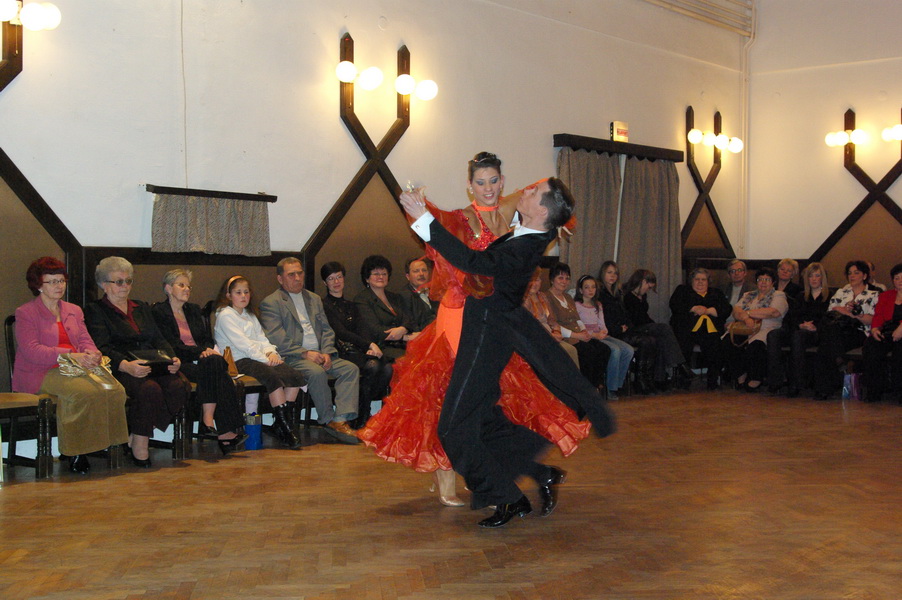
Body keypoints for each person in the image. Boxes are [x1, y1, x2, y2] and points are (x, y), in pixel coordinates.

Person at [357, 152, 590, 508]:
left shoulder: (513, 212)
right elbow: (437, 229)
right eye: (480, 182)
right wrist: (418, 206)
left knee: (485, 410)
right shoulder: (461, 218)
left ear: (502, 181)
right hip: (459, 315)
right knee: (446, 399)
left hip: (492, 322)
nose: (488, 188)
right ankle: (452, 479)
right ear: (469, 186)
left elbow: (546, 201)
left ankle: (516, 477)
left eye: (493, 181)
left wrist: (560, 220)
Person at [400, 177, 615, 528]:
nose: (525, 190)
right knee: (482, 421)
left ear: (542, 210)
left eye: (533, 192)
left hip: (486, 340)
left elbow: (472, 261)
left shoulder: (526, 246)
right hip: (485, 334)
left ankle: (507, 497)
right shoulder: (527, 234)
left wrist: (423, 219)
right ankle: (538, 473)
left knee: (453, 429)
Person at [12, 257, 128, 474]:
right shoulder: (26, 312)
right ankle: (76, 451)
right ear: (38, 285)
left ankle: (111, 443)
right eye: (52, 282)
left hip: (77, 366)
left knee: (115, 389)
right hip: (42, 371)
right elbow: (32, 351)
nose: (59, 286)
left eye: (61, 281)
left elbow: (84, 339)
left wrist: (92, 353)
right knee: (81, 392)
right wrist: (72, 355)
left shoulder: (73, 310)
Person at [84, 256, 191, 468]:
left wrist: (173, 358)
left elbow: (159, 338)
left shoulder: (140, 307)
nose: (125, 286)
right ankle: (141, 443)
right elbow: (102, 347)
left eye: (128, 281)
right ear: (104, 284)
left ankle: (136, 434)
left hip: (153, 364)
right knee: (149, 390)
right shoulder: (95, 310)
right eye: (119, 281)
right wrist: (125, 365)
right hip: (120, 367)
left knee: (179, 386)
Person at [259, 258, 361, 445]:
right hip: (292, 357)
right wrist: (305, 353)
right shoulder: (271, 303)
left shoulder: (313, 299)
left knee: (350, 369)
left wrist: (327, 352)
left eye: (300, 273)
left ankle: (340, 420)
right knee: (316, 372)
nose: (297, 278)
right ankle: (327, 419)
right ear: (280, 279)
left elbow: (327, 330)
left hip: (320, 354)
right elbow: (277, 338)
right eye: (291, 274)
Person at [151, 269, 246, 454]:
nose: (187, 289)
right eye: (181, 285)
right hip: (180, 362)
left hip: (203, 361)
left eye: (188, 286)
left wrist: (207, 350)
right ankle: (223, 430)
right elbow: (171, 345)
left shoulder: (193, 310)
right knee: (220, 373)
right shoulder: (159, 312)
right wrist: (200, 352)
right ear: (168, 288)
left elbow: (206, 339)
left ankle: (209, 424)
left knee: (215, 364)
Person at [212, 275, 306, 449]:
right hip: (238, 360)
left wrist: (271, 353)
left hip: (258, 357)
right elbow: (244, 345)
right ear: (228, 295)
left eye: (246, 292)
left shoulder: (249, 315)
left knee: (295, 376)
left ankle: (281, 422)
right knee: (271, 376)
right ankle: (286, 428)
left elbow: (261, 339)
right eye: (238, 292)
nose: (243, 296)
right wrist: (266, 360)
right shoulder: (226, 315)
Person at [320, 261, 393, 428]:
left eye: (339, 277)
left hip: (358, 350)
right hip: (340, 351)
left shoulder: (351, 305)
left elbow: (362, 328)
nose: (336, 281)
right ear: (324, 283)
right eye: (331, 278)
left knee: (388, 368)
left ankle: (362, 410)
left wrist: (370, 346)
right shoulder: (324, 305)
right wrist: (369, 345)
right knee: (373, 366)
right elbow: (340, 332)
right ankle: (363, 413)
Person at [812, 261, 879, 400]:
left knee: (826, 343)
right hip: (838, 330)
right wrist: (850, 312)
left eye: (856, 273)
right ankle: (838, 362)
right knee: (829, 337)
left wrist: (852, 314)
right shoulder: (841, 292)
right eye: (849, 273)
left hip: (859, 331)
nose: (852, 276)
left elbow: (872, 320)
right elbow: (831, 311)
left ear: (864, 275)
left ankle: (824, 387)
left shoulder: (873, 294)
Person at [766, 262, 830, 396]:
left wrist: (815, 327)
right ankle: (775, 381)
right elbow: (790, 317)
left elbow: (828, 318)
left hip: (816, 333)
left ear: (822, 278)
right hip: (798, 328)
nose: (813, 279)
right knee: (773, 335)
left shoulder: (829, 296)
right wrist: (800, 325)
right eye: (810, 276)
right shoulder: (801, 296)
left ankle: (796, 383)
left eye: (817, 276)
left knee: (798, 336)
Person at [622, 269, 692, 389]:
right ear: (643, 281)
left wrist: (653, 326)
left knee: (661, 340)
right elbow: (637, 319)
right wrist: (654, 326)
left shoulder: (641, 296)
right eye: (648, 286)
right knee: (664, 329)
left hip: (643, 326)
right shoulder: (628, 297)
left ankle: (659, 379)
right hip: (634, 328)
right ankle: (681, 364)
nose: (648, 289)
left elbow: (644, 317)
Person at [545, 264, 611, 390]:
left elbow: (577, 319)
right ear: (552, 279)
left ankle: (595, 385)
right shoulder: (546, 297)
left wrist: (584, 331)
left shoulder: (568, 297)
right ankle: (587, 389)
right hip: (565, 337)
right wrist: (577, 335)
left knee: (604, 350)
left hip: (578, 335)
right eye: (560, 278)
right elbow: (553, 324)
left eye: (567, 278)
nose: (564, 281)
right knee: (589, 352)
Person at [597, 261, 658, 395]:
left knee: (651, 340)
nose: (613, 276)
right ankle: (639, 380)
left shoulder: (617, 293)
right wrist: (619, 329)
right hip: (611, 331)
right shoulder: (600, 293)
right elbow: (602, 317)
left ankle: (645, 378)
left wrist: (627, 326)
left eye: (615, 273)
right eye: (609, 272)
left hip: (622, 329)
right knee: (645, 341)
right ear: (602, 274)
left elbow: (624, 314)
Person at [668, 268, 732, 390]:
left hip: (711, 330)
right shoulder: (682, 290)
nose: (700, 282)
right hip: (687, 329)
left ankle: (713, 380)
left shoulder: (716, 293)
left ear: (708, 281)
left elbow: (726, 309)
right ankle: (684, 379)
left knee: (716, 345)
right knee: (683, 343)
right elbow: (675, 305)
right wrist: (693, 308)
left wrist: (709, 311)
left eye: (703, 279)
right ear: (691, 281)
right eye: (697, 279)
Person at [728, 268, 788, 392]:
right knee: (729, 341)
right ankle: (740, 374)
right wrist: (745, 318)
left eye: (767, 279)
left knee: (755, 345)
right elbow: (736, 311)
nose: (763, 282)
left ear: (773, 282)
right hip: (746, 327)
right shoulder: (748, 295)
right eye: (760, 279)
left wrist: (748, 313)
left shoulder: (778, 295)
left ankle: (756, 378)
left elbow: (773, 312)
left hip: (767, 328)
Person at [574, 274, 634, 399]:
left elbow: (602, 324)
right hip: (589, 336)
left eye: (593, 287)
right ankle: (611, 388)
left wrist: (604, 332)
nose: (590, 290)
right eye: (587, 287)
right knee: (615, 350)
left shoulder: (598, 304)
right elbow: (579, 326)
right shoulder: (577, 305)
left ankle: (618, 384)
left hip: (600, 335)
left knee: (628, 350)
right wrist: (595, 335)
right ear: (580, 290)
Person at [353, 254, 419, 360]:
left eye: (384, 274)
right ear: (367, 278)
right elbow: (375, 329)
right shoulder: (362, 299)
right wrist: (404, 336)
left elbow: (409, 320)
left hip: (404, 344)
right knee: (412, 360)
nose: (381, 277)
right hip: (381, 347)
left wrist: (403, 328)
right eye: (376, 274)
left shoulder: (395, 297)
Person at [862, 263, 902, 403]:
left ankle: (899, 391)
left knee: (900, 351)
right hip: (888, 329)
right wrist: (875, 329)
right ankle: (874, 391)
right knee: (871, 346)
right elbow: (878, 315)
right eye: (897, 278)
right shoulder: (886, 296)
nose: (900, 281)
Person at [523, 273, 579, 366]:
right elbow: (528, 326)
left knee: (572, 350)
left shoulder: (542, 296)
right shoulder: (523, 299)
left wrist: (557, 332)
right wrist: (549, 336)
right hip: (536, 338)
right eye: (531, 280)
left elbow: (552, 320)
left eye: (537, 280)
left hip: (550, 335)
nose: (534, 283)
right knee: (567, 351)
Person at [400, 256, 439, 331]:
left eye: (424, 270)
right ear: (408, 276)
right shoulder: (404, 296)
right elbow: (410, 324)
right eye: (416, 271)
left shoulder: (436, 292)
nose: (421, 274)